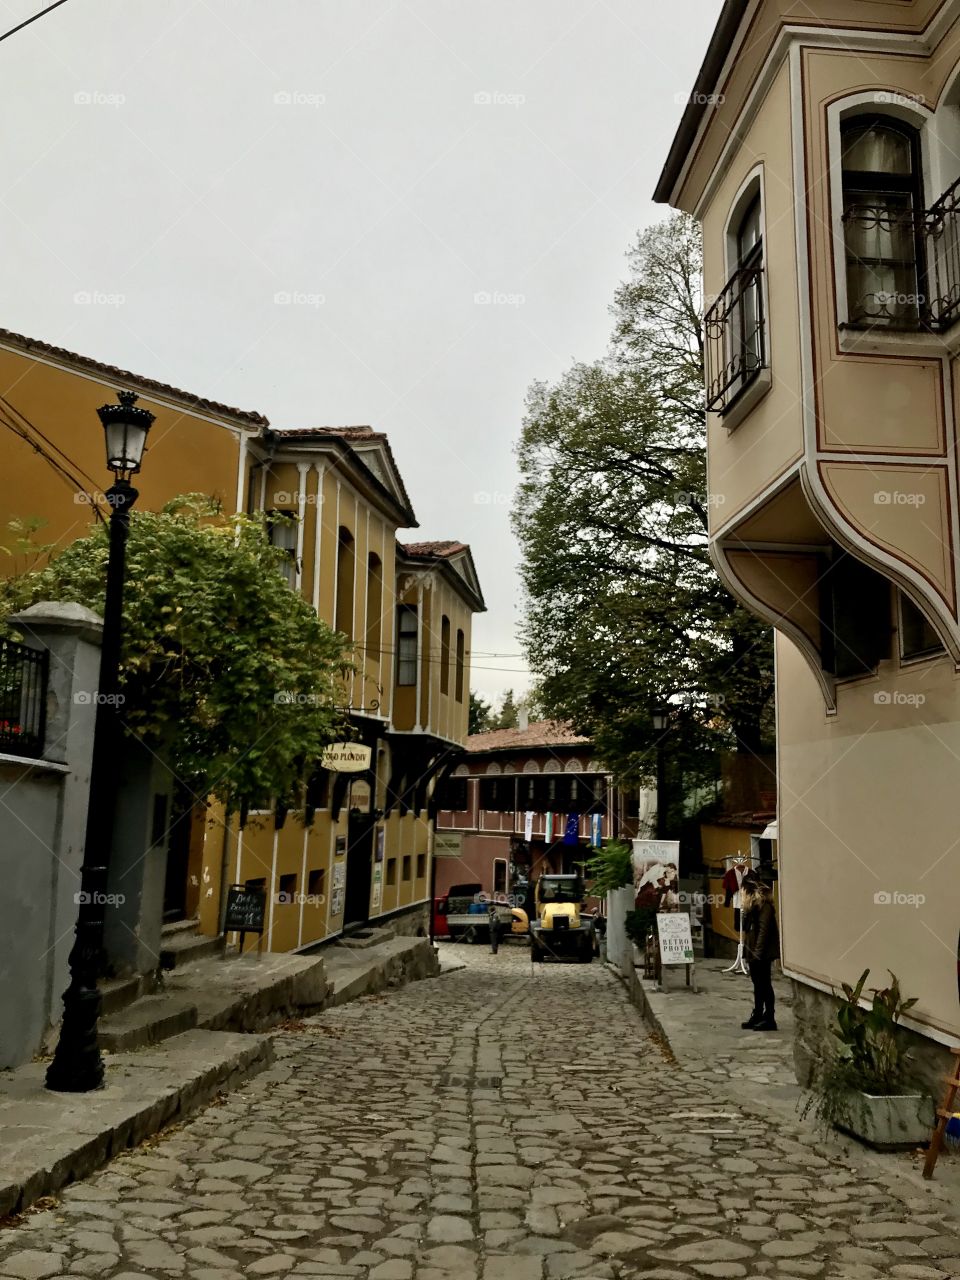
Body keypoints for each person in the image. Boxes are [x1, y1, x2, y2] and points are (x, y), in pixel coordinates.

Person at [741, 873, 780, 1031]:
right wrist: (745, 912)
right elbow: (744, 928)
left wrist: (757, 953)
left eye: (743, 890)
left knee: (765, 984)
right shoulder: (753, 907)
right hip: (753, 951)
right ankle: (757, 1014)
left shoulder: (765, 906)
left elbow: (763, 931)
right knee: (757, 984)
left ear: (749, 889)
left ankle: (770, 1018)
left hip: (762, 953)